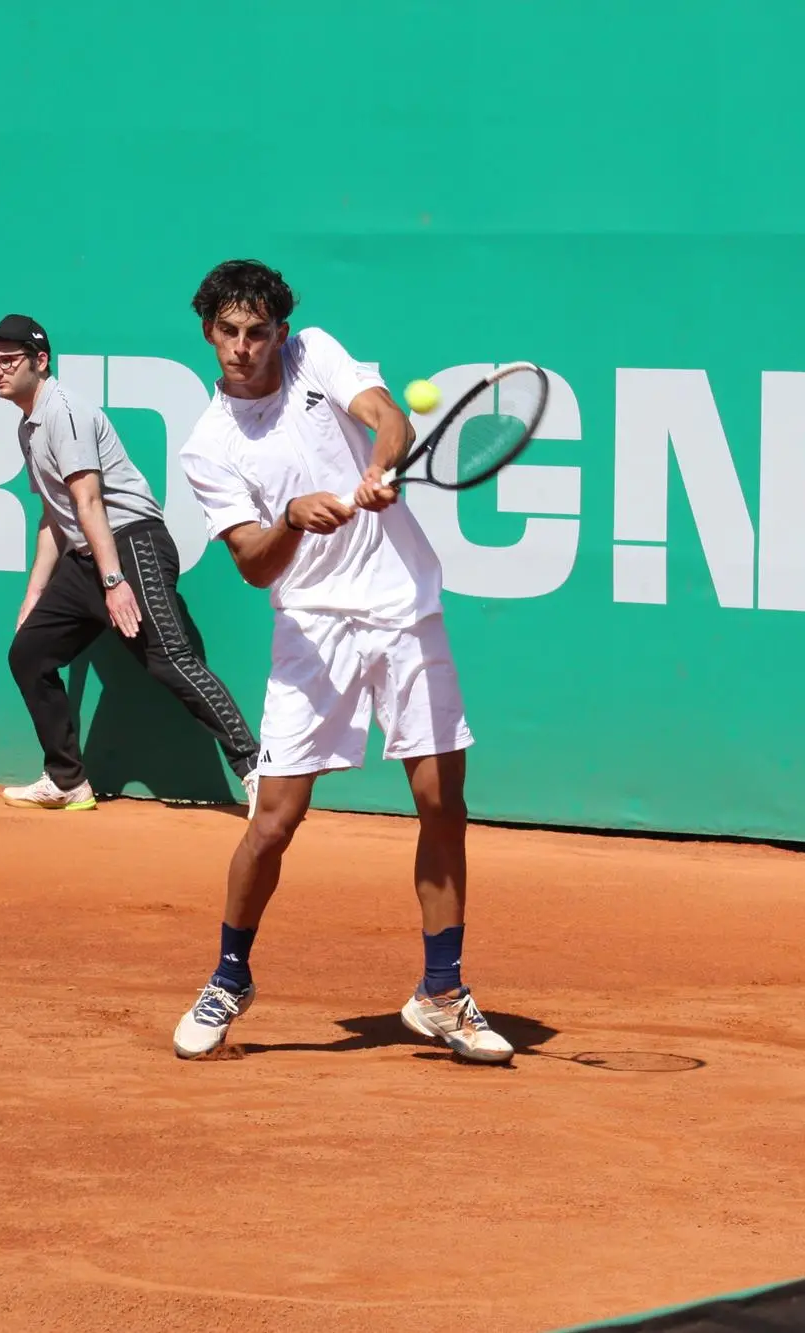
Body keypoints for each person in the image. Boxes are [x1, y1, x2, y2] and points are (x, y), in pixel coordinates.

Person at [166, 262, 513, 1064]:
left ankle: (440, 990)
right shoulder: (209, 446)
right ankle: (228, 974)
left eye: (258, 333)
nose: (244, 348)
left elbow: (386, 416)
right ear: (208, 334)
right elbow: (254, 563)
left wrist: (381, 466)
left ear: (281, 333)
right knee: (275, 821)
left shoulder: (314, 354)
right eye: (229, 333)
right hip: (312, 629)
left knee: (440, 801)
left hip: (401, 606)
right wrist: (291, 518)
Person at [0, 313, 261, 813]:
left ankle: (257, 769)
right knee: (30, 653)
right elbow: (54, 515)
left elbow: (89, 504)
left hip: (132, 544)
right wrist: (34, 595)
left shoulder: (63, 412)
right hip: (90, 553)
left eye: (8, 360)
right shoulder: (30, 425)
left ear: (40, 362)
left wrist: (114, 581)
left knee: (171, 661)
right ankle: (66, 779)